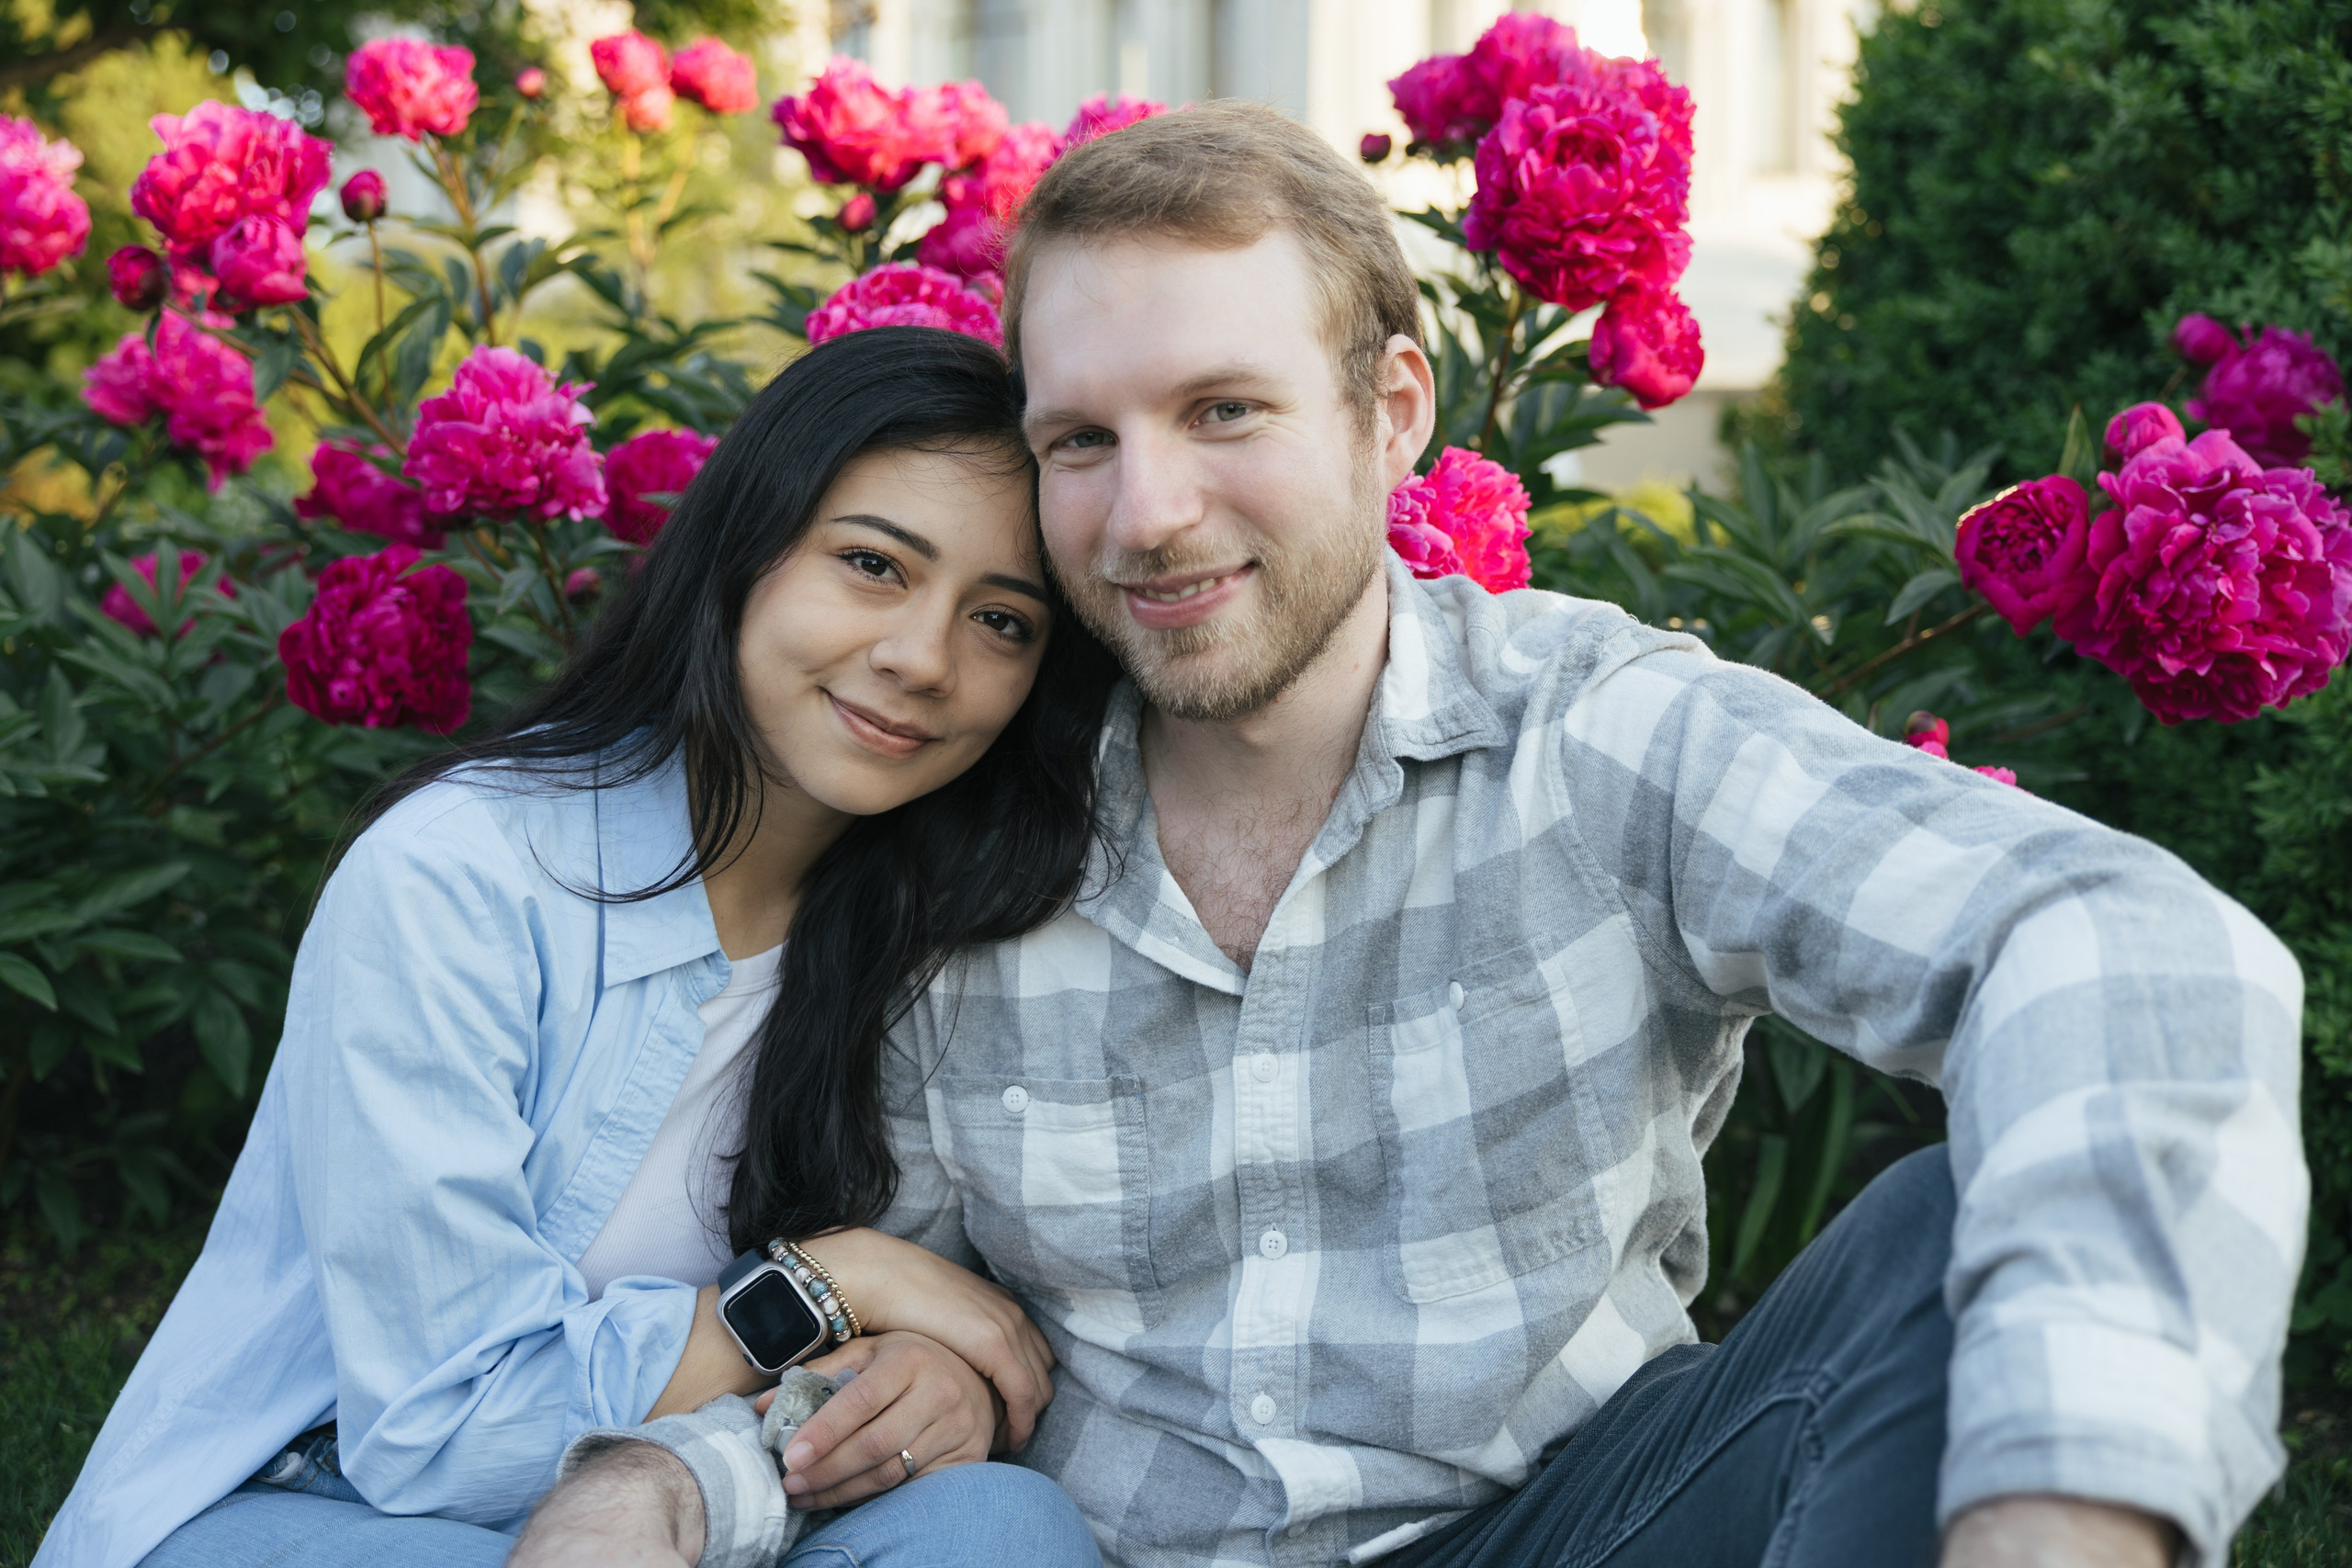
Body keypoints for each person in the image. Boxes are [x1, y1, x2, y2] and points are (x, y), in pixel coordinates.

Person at [526, 103, 2308, 1568]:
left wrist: (2055, 1513)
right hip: (1125, 1556)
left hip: (1579, 1529)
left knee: (1939, 1228)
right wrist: (675, 1478)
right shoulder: (957, 839)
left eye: (1221, 410)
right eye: (1080, 438)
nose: (1147, 513)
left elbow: (2120, 945)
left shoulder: (1598, 733)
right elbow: (919, 1353)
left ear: (1390, 416)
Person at [34, 328, 1114, 1568]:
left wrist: (927, 1379)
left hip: (708, 1489)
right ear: (744, 550)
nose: (924, 659)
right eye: (873, 564)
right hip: (337, 1504)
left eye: (1003, 621)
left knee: (1000, 1523)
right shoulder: (460, 877)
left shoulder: (944, 933)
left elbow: (901, 1353)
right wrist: (832, 1284)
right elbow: (440, 1430)